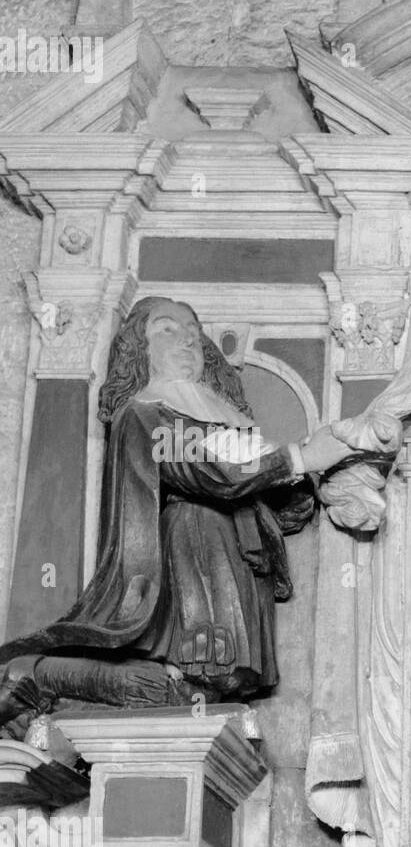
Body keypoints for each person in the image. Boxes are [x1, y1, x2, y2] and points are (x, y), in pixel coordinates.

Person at [0, 297, 356, 736]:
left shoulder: (222, 422)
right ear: (139, 350)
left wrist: (302, 482)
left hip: (236, 563)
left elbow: (265, 496)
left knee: (214, 683)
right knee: (184, 684)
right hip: (190, 557)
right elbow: (205, 471)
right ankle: (35, 676)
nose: (188, 336)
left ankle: (41, 677)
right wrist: (299, 457)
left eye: (192, 329)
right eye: (167, 328)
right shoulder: (145, 413)